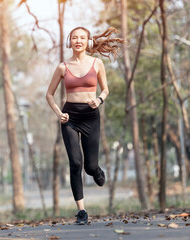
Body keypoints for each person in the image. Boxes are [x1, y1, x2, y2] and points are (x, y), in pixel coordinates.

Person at [46, 26, 125, 225]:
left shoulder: (97, 63)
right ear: (70, 41)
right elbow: (49, 94)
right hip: (70, 117)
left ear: (88, 41)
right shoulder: (63, 67)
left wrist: (99, 100)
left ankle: (97, 171)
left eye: (82, 38)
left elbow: (105, 89)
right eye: (74, 38)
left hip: (91, 116)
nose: (78, 41)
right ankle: (81, 211)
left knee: (89, 166)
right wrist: (59, 114)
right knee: (75, 163)